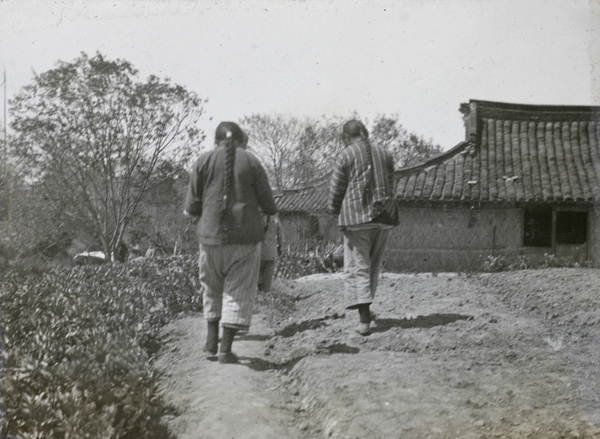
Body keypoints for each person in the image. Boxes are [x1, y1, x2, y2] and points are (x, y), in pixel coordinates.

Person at [184, 121, 277, 364]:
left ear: (216, 140)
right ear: (240, 140)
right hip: (245, 240)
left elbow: (192, 207)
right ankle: (226, 349)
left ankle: (210, 341)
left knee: (211, 288)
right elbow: (269, 205)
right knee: (238, 291)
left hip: (210, 238)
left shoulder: (203, 161)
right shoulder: (252, 161)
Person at [328, 120, 397, 336]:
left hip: (357, 218)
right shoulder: (384, 152)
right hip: (384, 216)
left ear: (346, 138)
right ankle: (366, 309)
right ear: (365, 133)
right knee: (373, 265)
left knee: (359, 266)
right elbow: (392, 182)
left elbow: (337, 188)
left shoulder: (346, 154)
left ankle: (364, 319)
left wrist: (334, 209)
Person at [258, 213, 282, 292]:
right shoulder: (276, 220)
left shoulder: (259, 218)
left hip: (260, 250)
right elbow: (280, 235)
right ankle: (266, 291)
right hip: (272, 250)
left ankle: (259, 289)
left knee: (259, 270)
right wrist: (280, 247)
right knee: (269, 272)